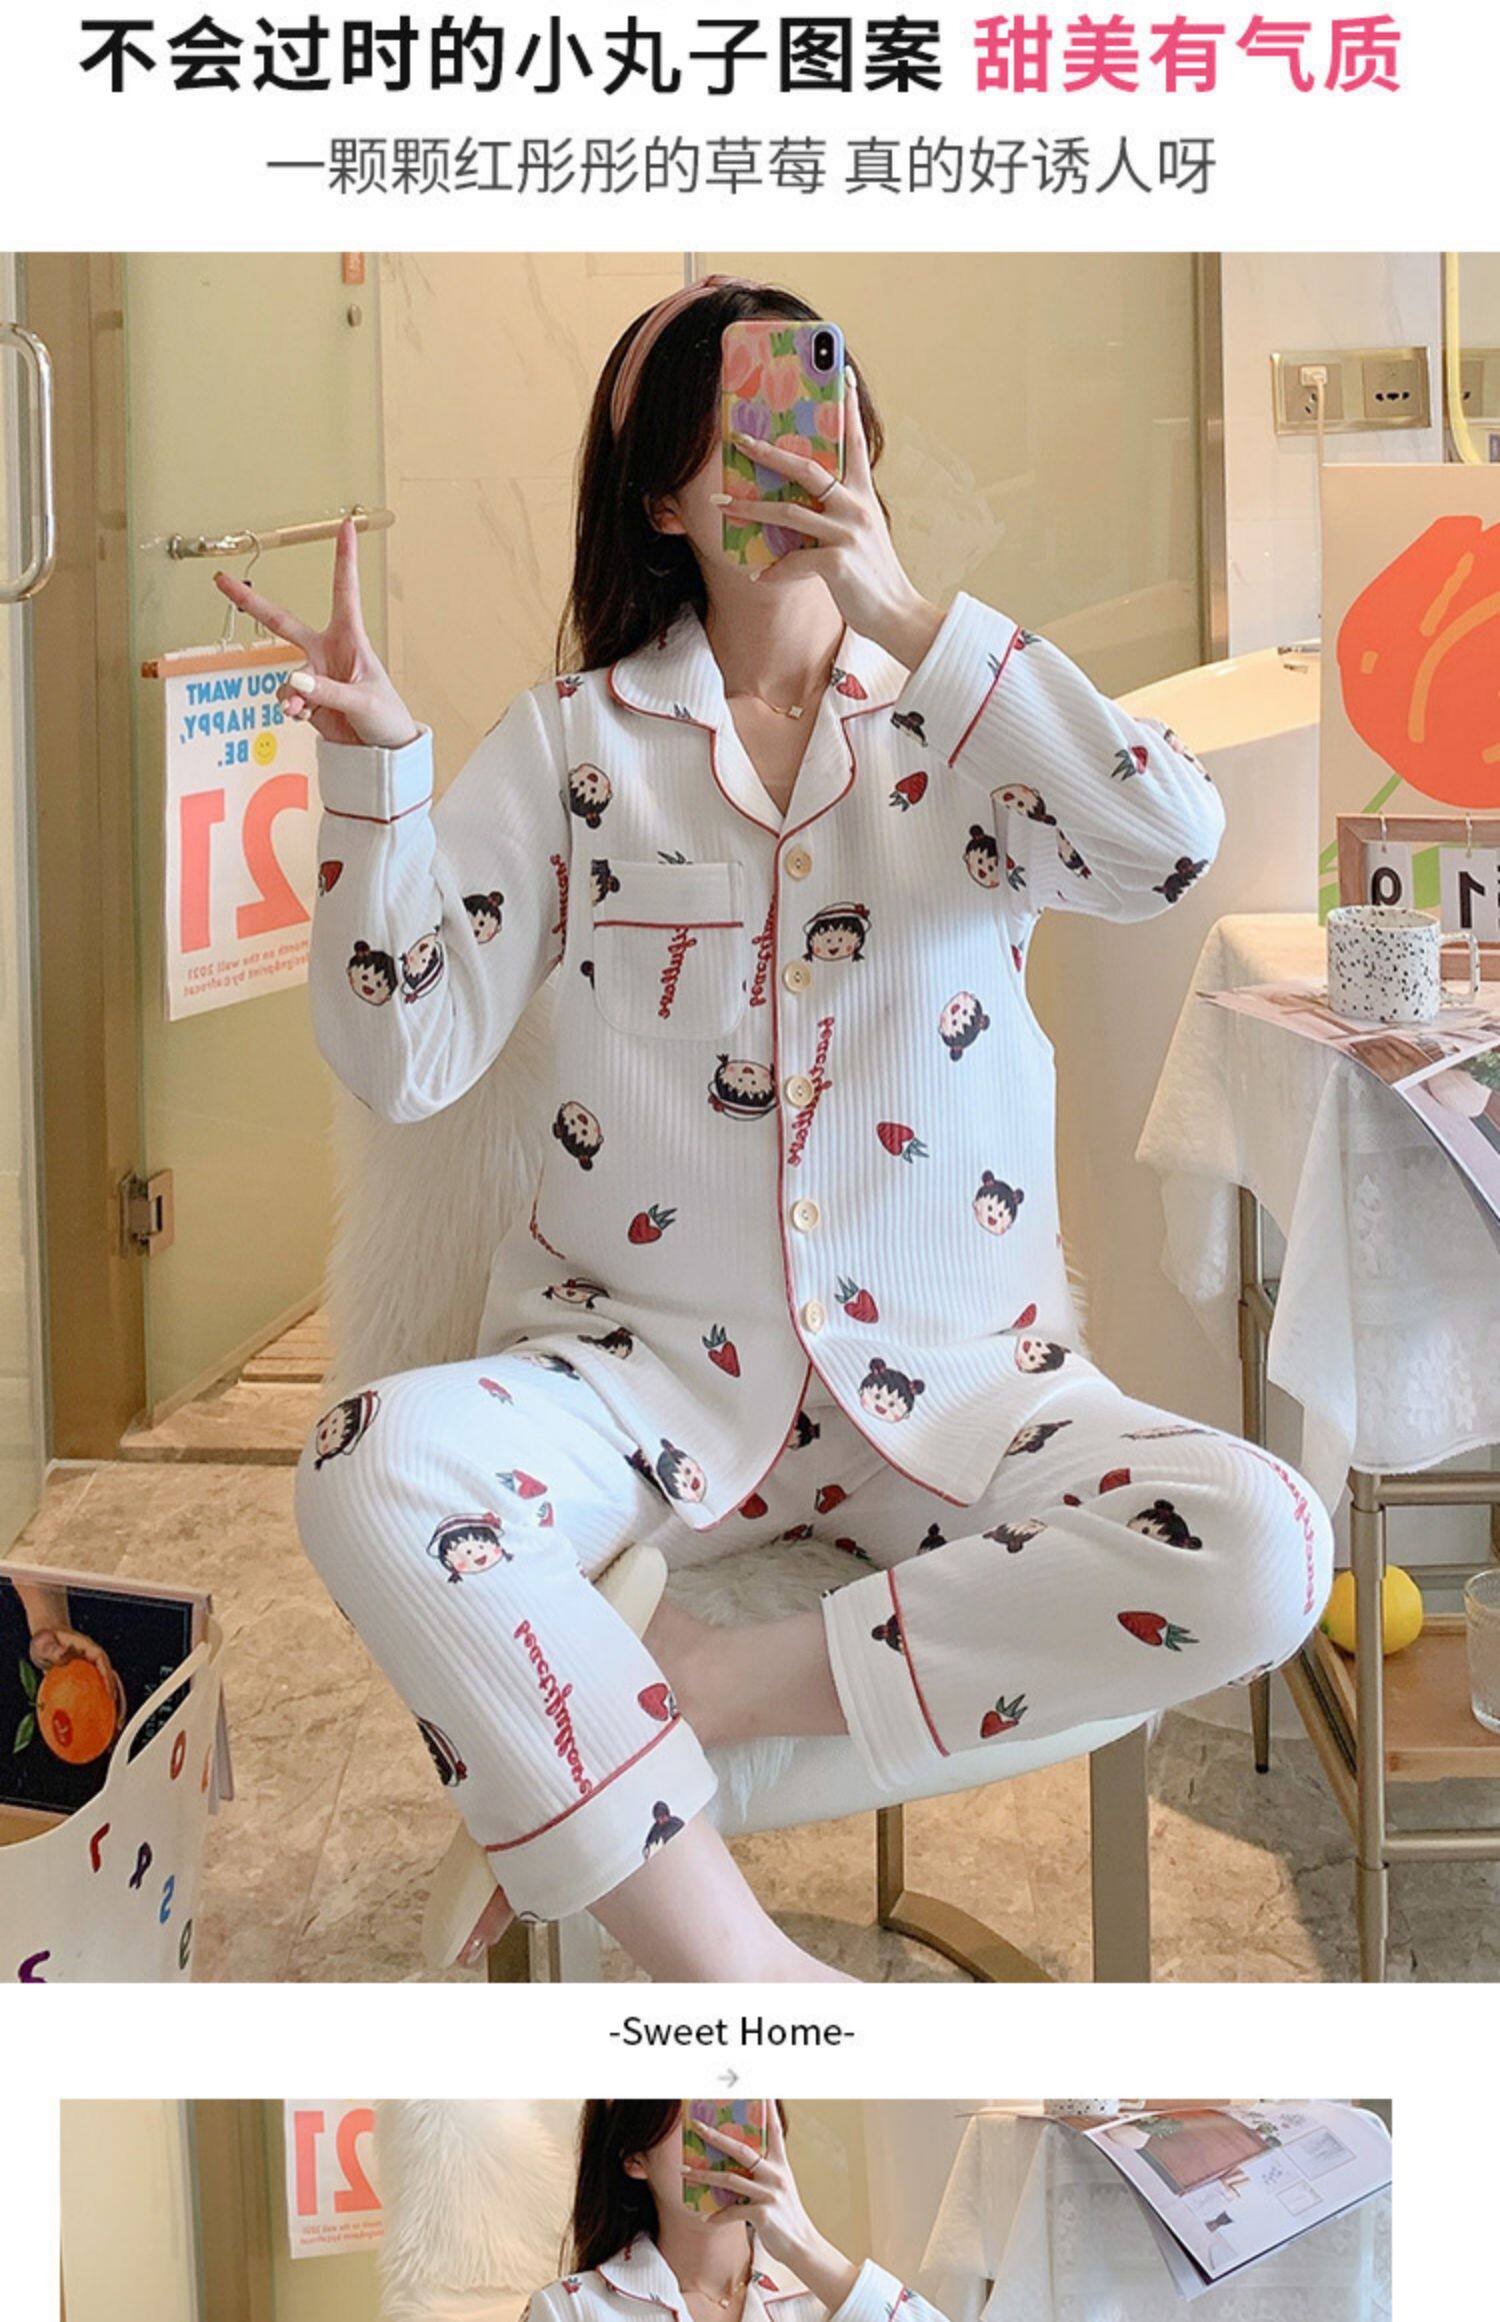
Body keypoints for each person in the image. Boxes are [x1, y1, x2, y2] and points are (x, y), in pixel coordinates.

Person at [218, 276, 1332, 1984]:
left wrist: (904, 607)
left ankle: (684, 1696)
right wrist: (378, 779)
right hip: (641, 1382)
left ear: (862, 442)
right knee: (368, 1460)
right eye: (730, 440)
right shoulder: (578, 745)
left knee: (1270, 1543)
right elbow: (406, 1057)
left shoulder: (969, 720)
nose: (784, 464)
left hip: (958, 1389)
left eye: (810, 417)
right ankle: (742, 1968)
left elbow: (1167, 844)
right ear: (663, 501)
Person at [528, 2100, 940, 2322]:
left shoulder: (828, 2301)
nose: (721, 2138)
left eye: (738, 2110)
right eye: (697, 2115)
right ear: (635, 2156)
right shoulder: (570, 2310)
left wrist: (804, 2244)